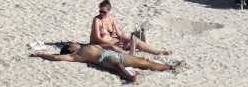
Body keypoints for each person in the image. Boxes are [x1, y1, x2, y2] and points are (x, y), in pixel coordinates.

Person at [30, 42, 182, 82]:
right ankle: (129, 77)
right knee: (116, 63)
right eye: (72, 43)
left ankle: (169, 67)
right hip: (104, 59)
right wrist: (41, 55)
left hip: (111, 53)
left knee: (143, 61)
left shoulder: (85, 47)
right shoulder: (76, 55)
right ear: (70, 48)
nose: (75, 42)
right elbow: (57, 57)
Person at [90, 0, 170, 55]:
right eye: (100, 11)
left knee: (129, 39)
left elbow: (119, 33)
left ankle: (156, 51)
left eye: (104, 12)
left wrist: (121, 40)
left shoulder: (111, 18)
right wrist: (114, 44)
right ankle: (130, 54)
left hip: (112, 40)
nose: (101, 13)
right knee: (114, 47)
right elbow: (97, 38)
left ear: (109, 11)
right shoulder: (97, 20)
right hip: (99, 44)